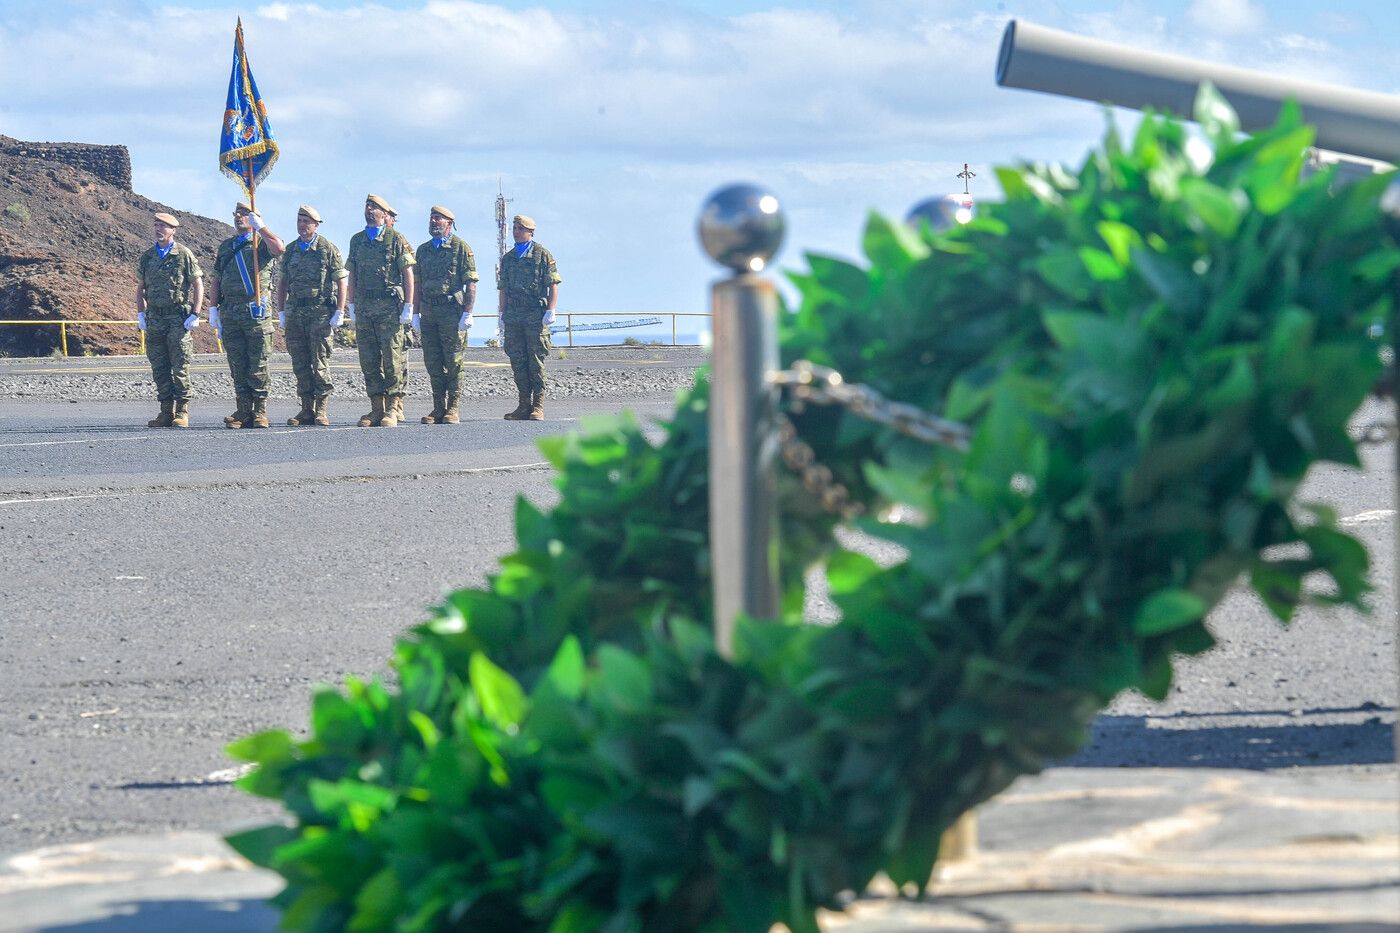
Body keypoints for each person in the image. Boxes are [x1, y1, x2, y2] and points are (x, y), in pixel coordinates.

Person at [209, 202, 285, 429]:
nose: (239, 217)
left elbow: (279, 249)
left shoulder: (261, 243)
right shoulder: (227, 246)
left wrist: (261, 227)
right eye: (237, 214)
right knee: (237, 364)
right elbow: (216, 278)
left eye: (245, 214)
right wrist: (213, 309)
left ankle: (260, 411)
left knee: (258, 364)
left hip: (256, 312)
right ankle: (243, 411)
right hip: (231, 312)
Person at [345, 194, 416, 427]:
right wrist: (351, 304)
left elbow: (407, 273)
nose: (369, 210)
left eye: (374, 208)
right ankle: (376, 408)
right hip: (365, 307)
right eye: (367, 206)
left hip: (389, 308)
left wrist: (408, 305)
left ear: (385, 214)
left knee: (392, 358)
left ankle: (393, 409)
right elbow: (352, 273)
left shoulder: (396, 239)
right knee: (369, 359)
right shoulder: (357, 240)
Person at [276, 205, 347, 426]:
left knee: (319, 361)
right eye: (299, 220)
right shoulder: (290, 250)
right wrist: (281, 311)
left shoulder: (327, 248)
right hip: (296, 311)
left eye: (306, 221)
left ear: (315, 225)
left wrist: (340, 311)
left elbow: (340, 280)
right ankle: (306, 408)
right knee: (300, 362)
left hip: (319, 312)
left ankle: (321, 409)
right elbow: (283, 282)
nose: (302, 225)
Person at [136, 212, 204, 428]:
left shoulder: (183, 254)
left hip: (177, 318)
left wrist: (196, 313)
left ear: (173, 230)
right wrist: (141, 314)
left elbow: (198, 284)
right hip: (155, 318)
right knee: (159, 366)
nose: (159, 229)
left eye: (164, 226)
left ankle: (182, 411)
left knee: (180, 365)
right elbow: (140, 288)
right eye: (156, 225)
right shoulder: (148, 256)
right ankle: (165, 411)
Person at [412, 206, 478, 424]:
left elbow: (471, 283)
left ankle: (453, 407)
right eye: (431, 218)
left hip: (452, 312)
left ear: (449, 222)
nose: (433, 222)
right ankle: (438, 407)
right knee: (433, 361)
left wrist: (468, 313)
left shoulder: (460, 248)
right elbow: (417, 284)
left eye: (438, 218)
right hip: (429, 312)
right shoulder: (423, 251)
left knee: (453, 361)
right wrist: (415, 313)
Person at [497, 214, 559, 420]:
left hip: (535, 314)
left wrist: (551, 309)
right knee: (518, 360)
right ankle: (523, 404)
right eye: (514, 228)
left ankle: (538, 405)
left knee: (535, 360)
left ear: (531, 232)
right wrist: (502, 314)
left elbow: (553, 285)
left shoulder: (542, 254)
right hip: (514, 315)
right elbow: (503, 288)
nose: (516, 232)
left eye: (520, 228)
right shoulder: (508, 258)